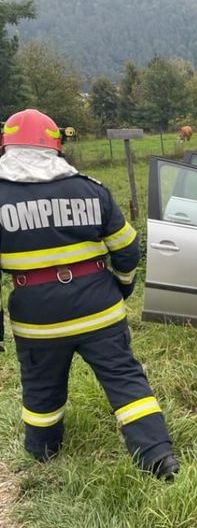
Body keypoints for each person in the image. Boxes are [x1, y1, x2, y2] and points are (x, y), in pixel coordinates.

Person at [0, 109, 179, 479]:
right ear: (56, 146)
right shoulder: (90, 189)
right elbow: (128, 248)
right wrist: (124, 285)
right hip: (100, 309)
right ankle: (158, 458)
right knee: (125, 379)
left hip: (37, 320)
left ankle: (42, 454)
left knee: (41, 387)